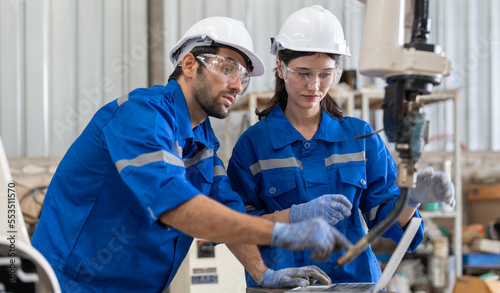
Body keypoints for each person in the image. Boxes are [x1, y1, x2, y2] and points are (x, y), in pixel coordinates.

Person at [31, 16, 353, 292]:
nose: (237, 86)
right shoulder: (141, 117)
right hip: (70, 285)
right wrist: (280, 232)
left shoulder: (203, 139)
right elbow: (174, 205)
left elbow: (225, 208)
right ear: (189, 64)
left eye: (242, 76)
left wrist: (261, 272)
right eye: (228, 69)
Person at [227, 5, 456, 287]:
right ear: (280, 68)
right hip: (286, 285)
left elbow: (386, 220)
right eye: (303, 73)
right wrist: (291, 217)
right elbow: (235, 225)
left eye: (326, 74)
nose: (315, 85)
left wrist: (410, 200)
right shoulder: (253, 145)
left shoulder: (360, 138)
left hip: (357, 283)